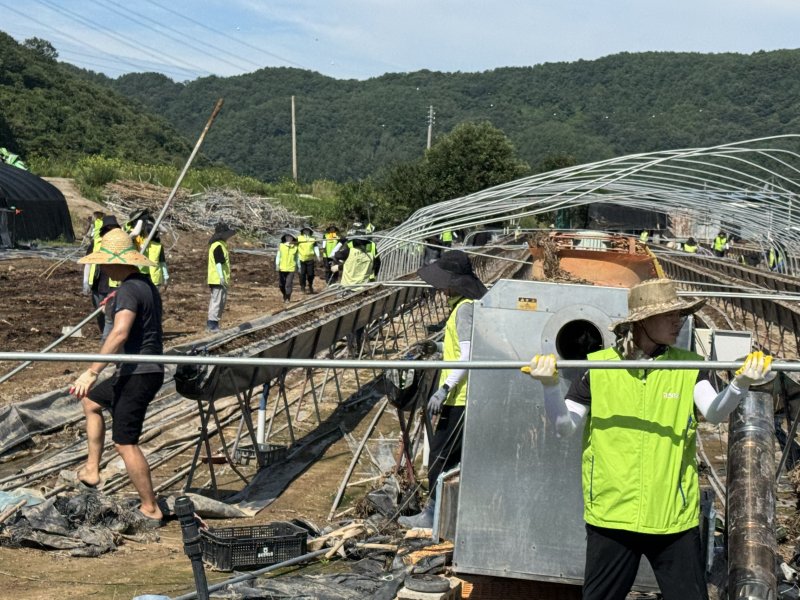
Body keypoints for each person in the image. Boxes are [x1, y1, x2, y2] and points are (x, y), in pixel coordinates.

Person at [526, 278, 773, 600]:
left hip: (672, 517)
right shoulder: (598, 369)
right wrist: (549, 387)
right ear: (641, 322)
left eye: (679, 314)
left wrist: (740, 384)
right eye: (669, 315)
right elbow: (565, 428)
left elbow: (713, 412)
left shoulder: (688, 367)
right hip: (613, 514)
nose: (678, 321)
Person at [70, 228, 166, 527]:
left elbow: (120, 332)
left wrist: (92, 370)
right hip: (139, 370)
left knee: (125, 442)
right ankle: (92, 469)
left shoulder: (128, 289)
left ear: (118, 262)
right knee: (90, 401)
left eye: (103, 263)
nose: (101, 268)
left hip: (140, 372)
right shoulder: (142, 284)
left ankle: (151, 508)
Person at [398, 250, 488, 529]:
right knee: (450, 457)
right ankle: (444, 515)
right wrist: (436, 347)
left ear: (455, 282)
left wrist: (445, 388)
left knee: (441, 456)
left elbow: (469, 356)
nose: (440, 289)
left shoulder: (465, 310)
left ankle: (435, 516)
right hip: (461, 395)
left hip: (461, 398)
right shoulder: (463, 306)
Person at [83, 215, 120, 335]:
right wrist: (86, 282)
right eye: (108, 229)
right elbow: (88, 263)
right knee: (99, 312)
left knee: (112, 312)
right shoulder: (95, 244)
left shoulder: (120, 244)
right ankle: (104, 333)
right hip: (98, 284)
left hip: (113, 284)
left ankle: (110, 337)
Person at [207, 222, 236, 331]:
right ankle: (212, 324)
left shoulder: (221, 245)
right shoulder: (218, 246)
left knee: (221, 301)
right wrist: (221, 277)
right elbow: (218, 263)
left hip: (220, 278)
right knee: (216, 301)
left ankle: (214, 323)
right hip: (217, 278)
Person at [276, 232, 300, 303]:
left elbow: (297, 258)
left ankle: (288, 298)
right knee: (281, 284)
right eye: (287, 237)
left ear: (292, 238)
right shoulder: (281, 246)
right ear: (285, 238)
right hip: (282, 268)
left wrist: (299, 266)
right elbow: (278, 256)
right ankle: (284, 295)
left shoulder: (295, 247)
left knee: (288, 284)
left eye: (290, 237)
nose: (289, 238)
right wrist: (277, 264)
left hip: (291, 268)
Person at [296, 226, 321, 294]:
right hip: (301, 259)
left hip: (310, 259)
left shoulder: (313, 239)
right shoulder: (299, 238)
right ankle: (303, 287)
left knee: (311, 274)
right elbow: (295, 247)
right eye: (305, 230)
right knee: (302, 274)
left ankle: (310, 285)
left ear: (310, 231)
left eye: (308, 230)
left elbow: (315, 247)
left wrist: (318, 255)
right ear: (303, 231)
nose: (306, 231)